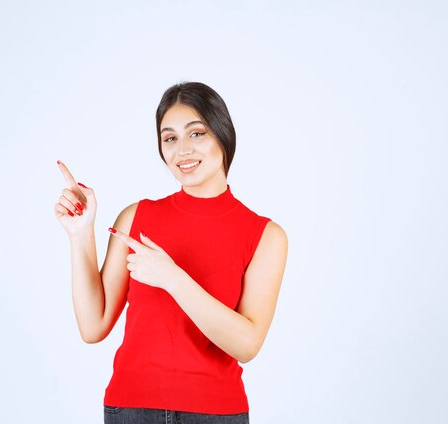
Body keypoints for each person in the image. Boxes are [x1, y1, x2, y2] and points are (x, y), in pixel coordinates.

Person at [54, 81, 288, 424]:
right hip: (130, 409)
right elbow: (93, 326)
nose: (182, 150)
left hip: (214, 414)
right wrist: (81, 233)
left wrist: (173, 278)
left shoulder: (265, 235)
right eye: (170, 138)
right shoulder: (137, 217)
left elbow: (247, 344)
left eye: (197, 133)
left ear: (223, 135)